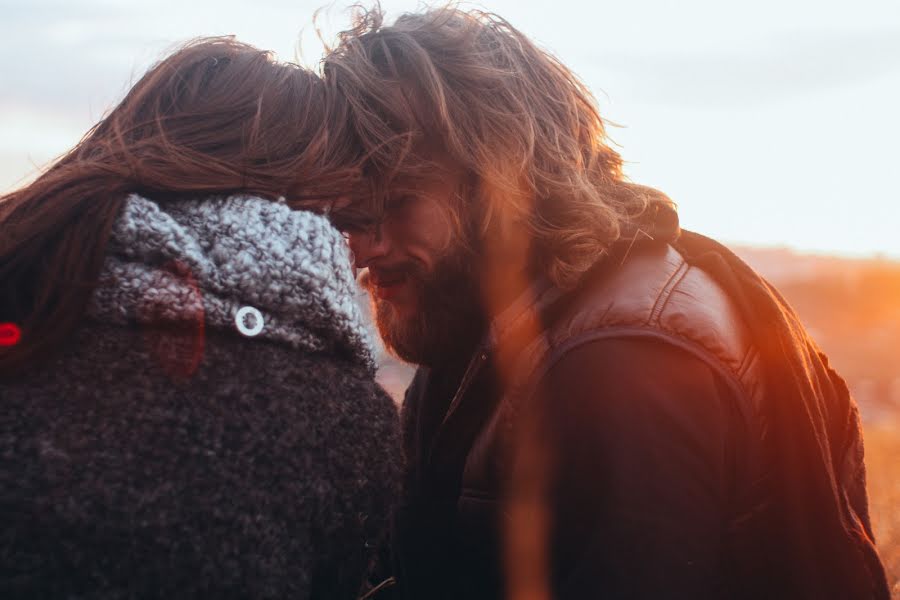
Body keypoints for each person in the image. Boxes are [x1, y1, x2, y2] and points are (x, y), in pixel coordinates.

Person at [324, 7, 891, 599]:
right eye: (348, 214)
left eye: (397, 201)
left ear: (505, 181)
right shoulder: (491, 327)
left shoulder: (625, 366)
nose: (362, 247)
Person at [0, 38, 400, 598]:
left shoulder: (25, 291)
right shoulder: (336, 417)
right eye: (350, 212)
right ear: (307, 195)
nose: (363, 247)